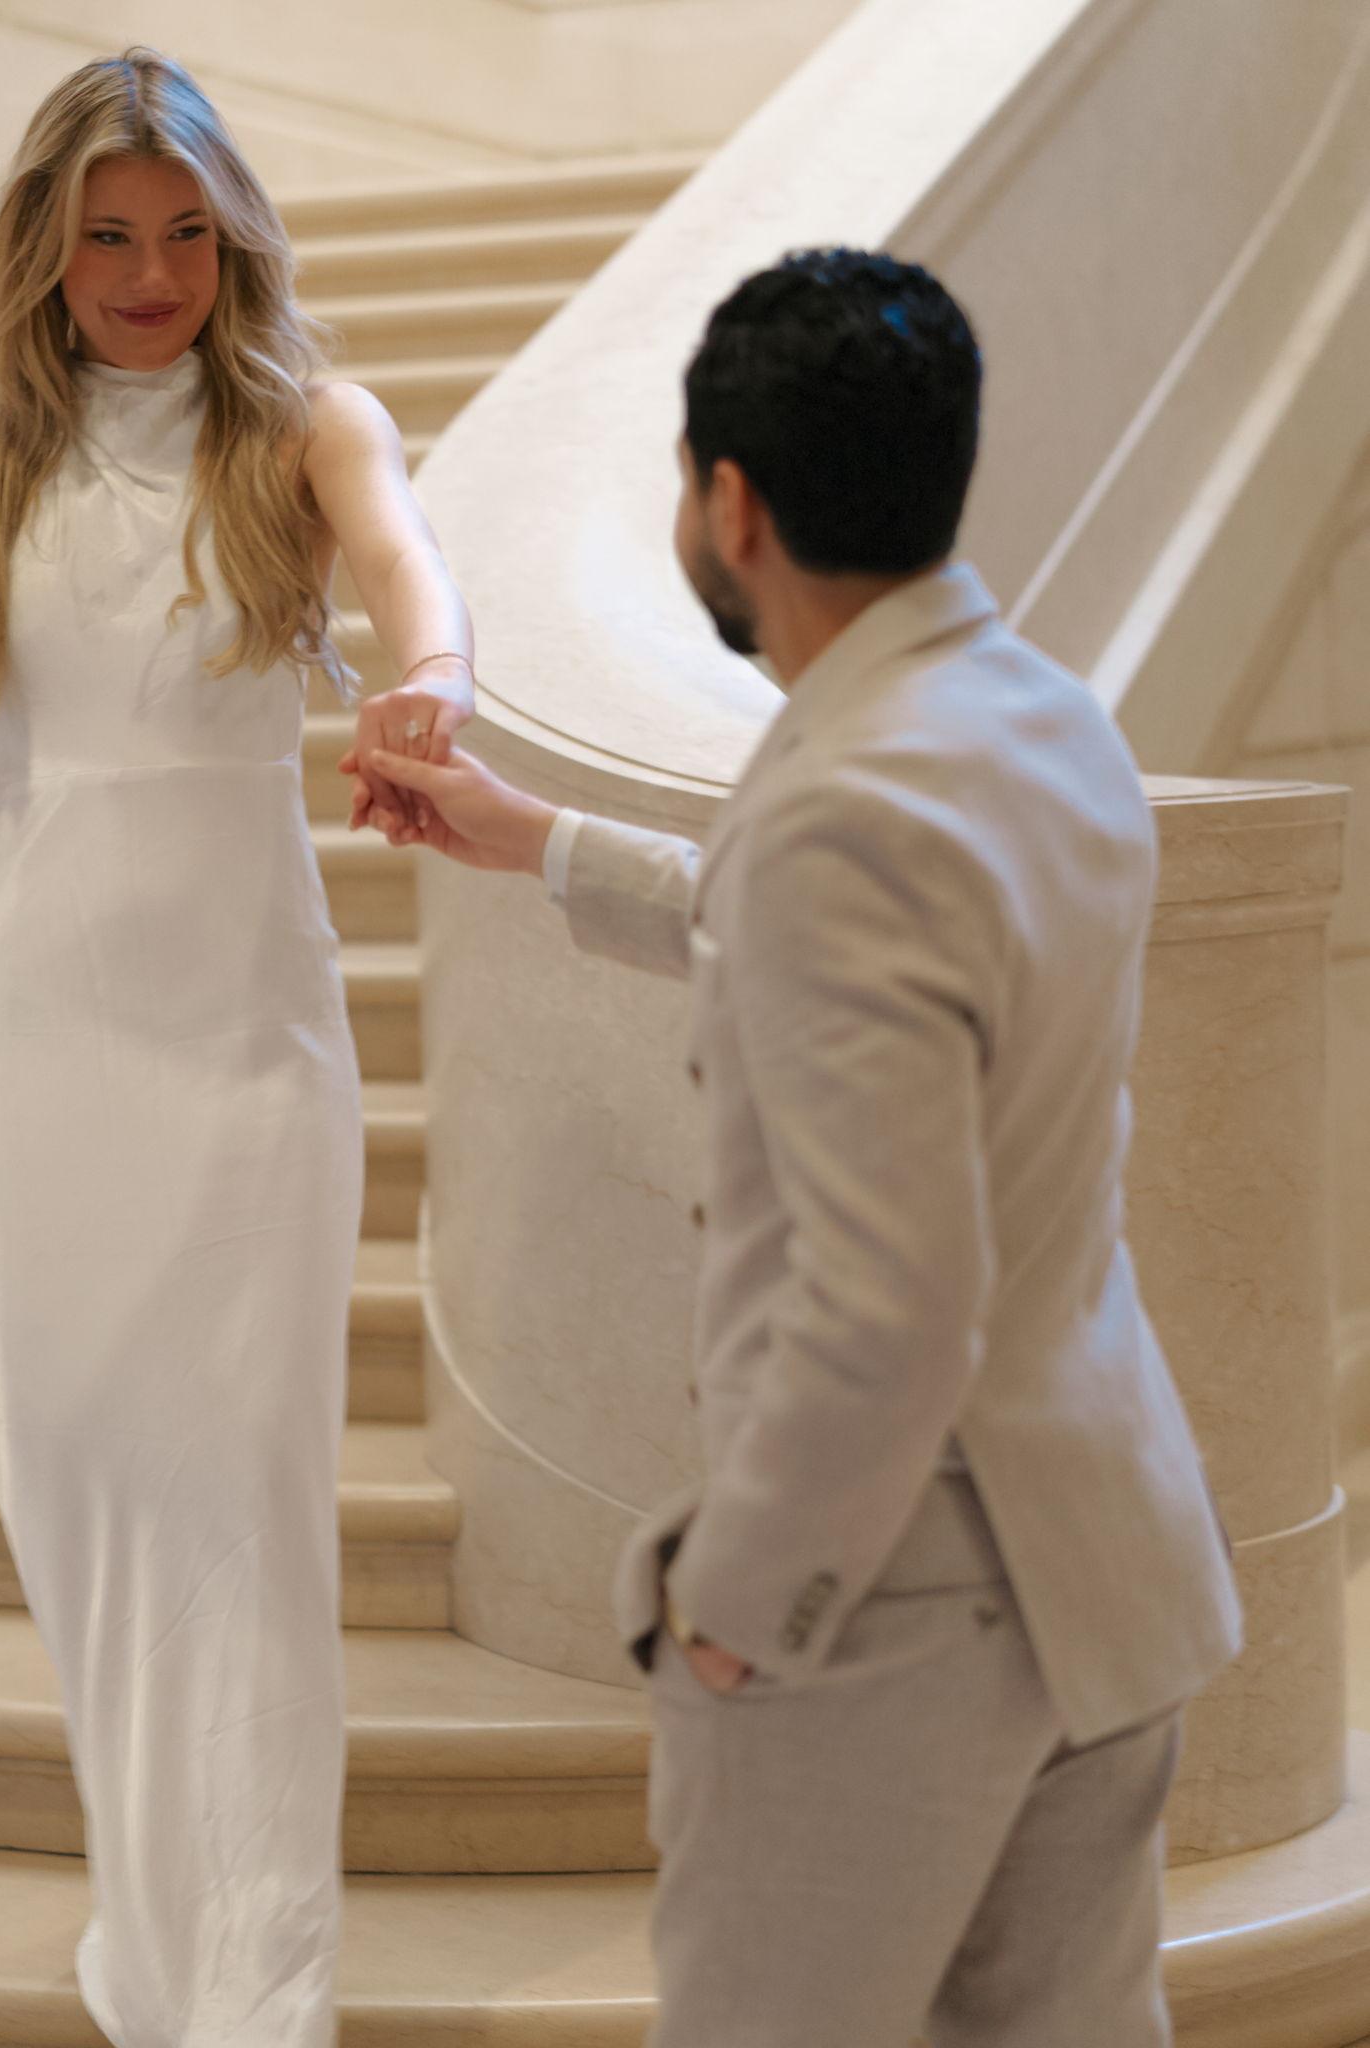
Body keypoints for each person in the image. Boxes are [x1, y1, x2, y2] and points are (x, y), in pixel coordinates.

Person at [349, 249, 1242, 2046]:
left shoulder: (840, 811)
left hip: (890, 1617)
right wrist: (542, 838)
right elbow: (863, 946)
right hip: (1106, 1558)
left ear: (733, 504)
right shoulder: (1044, 723)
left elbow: (886, 1305)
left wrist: (733, 1612)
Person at [0, 48, 475, 2048]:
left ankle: (256, 1986)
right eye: (108, 235)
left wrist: (433, 675)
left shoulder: (305, 428)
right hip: (43, 1042)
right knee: (73, 1491)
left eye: (185, 235)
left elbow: (406, 565)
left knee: (242, 1508)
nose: (147, 276)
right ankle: (154, 1927)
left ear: (234, 239)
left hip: (245, 1052)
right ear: (41, 247)